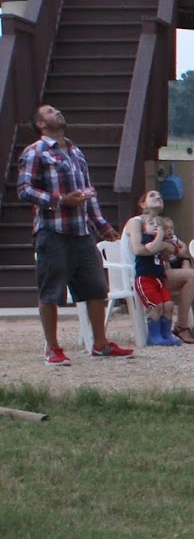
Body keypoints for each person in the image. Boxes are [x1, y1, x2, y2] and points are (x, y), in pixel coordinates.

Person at [17, 104, 135, 364]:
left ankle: (100, 344)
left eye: (58, 110)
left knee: (96, 288)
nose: (58, 112)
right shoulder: (35, 151)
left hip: (82, 232)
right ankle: (52, 348)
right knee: (51, 291)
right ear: (40, 124)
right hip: (52, 231)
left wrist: (102, 225)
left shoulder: (75, 151)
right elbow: (24, 190)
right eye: (50, 111)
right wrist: (59, 200)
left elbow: (87, 192)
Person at [123, 191, 183, 347]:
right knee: (156, 306)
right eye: (152, 196)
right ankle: (156, 335)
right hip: (142, 276)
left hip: (159, 277)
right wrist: (162, 242)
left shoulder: (156, 229)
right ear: (142, 204)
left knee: (168, 304)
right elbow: (142, 250)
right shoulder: (141, 228)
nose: (158, 197)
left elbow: (177, 252)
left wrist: (172, 247)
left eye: (160, 196)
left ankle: (167, 333)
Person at [156, 215, 194, 342]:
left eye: (171, 228)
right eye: (166, 229)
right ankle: (181, 326)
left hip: (173, 270)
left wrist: (183, 255)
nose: (169, 231)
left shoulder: (174, 240)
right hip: (156, 275)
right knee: (192, 276)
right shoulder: (150, 233)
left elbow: (183, 251)